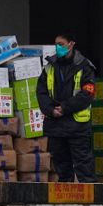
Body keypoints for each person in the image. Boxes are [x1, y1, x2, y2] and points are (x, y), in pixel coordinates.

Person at [36, 33, 97, 182]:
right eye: (56, 43)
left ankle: (91, 203)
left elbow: (87, 94)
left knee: (84, 167)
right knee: (62, 168)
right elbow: (41, 92)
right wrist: (51, 110)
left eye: (61, 44)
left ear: (71, 44)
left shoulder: (84, 66)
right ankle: (65, 202)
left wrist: (64, 108)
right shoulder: (49, 67)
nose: (58, 47)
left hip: (77, 126)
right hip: (56, 125)